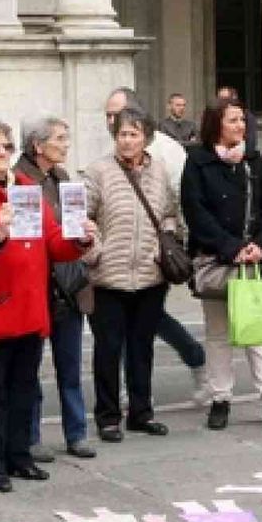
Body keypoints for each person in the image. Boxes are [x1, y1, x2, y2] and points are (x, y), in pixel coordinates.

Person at [0, 114, 94, 493]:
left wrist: (80, 237)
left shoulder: (26, 187)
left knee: (24, 386)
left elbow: (54, 243)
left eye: (7, 147)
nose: (3, 154)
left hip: (29, 304)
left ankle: (19, 455)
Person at [181, 97, 262, 433]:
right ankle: (221, 399)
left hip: (252, 264)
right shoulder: (198, 162)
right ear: (216, 124)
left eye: (242, 121)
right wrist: (232, 248)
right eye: (233, 121)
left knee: (256, 332)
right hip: (217, 261)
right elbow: (196, 212)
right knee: (217, 334)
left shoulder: (253, 160)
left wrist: (260, 245)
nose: (240, 126)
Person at [103, 88, 209, 406]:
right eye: (107, 115)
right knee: (123, 318)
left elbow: (182, 198)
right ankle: (130, 386)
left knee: (149, 318)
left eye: (115, 114)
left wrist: (178, 243)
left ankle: (193, 358)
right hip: (118, 250)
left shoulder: (166, 149)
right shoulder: (112, 147)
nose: (109, 121)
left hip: (155, 250)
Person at [83, 107, 179, 442]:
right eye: (123, 133)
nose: (127, 140)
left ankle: (141, 412)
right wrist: (96, 252)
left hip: (150, 276)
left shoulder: (159, 170)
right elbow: (83, 217)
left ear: (146, 138)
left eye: (134, 134)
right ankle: (108, 417)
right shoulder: (98, 171)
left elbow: (169, 214)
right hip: (109, 277)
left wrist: (161, 246)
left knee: (142, 348)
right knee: (108, 349)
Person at [13, 115, 94, 461]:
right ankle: (30, 436)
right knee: (30, 369)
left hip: (70, 283)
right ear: (38, 145)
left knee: (70, 366)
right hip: (39, 284)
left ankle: (76, 433)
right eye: (59, 138)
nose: (65, 144)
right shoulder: (20, 181)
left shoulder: (63, 178)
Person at [215, 86, 259, 153]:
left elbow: (250, 143)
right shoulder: (214, 116)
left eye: (225, 99)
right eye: (219, 99)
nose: (221, 102)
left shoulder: (248, 117)